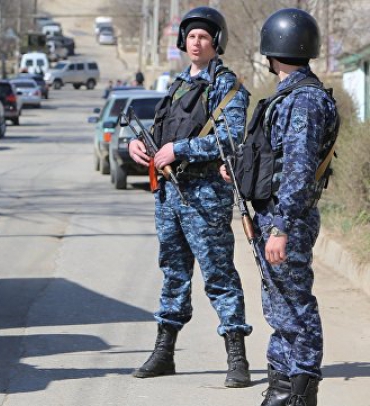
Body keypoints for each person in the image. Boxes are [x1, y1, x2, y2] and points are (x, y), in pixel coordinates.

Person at [128, 7, 252, 388]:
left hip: (205, 198)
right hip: (169, 196)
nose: (196, 42)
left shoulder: (227, 85)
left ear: (216, 42)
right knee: (173, 274)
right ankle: (164, 353)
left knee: (219, 275)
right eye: (191, 36)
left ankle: (237, 358)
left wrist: (178, 149)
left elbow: (228, 139)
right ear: (183, 42)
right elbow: (160, 131)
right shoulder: (178, 85)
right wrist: (139, 146)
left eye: (203, 36)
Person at [222, 9, 339, 406]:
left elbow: (299, 170)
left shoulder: (303, 101)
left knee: (295, 307)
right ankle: (281, 388)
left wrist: (281, 227)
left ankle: (301, 394)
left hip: (286, 219)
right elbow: (275, 160)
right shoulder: (292, 95)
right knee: (279, 307)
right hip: (275, 215)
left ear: (272, 51)